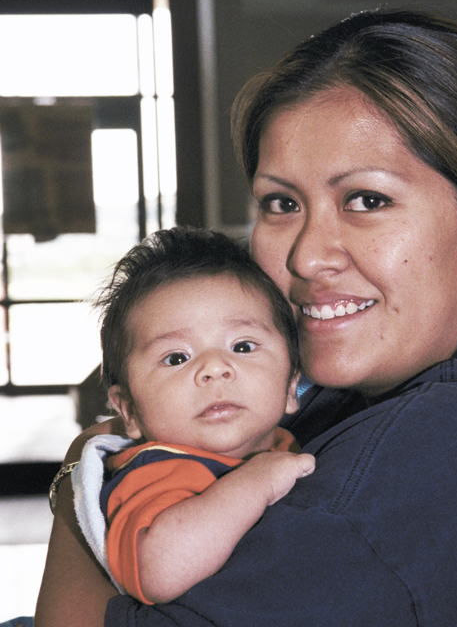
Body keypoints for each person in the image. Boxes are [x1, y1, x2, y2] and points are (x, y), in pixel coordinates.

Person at [35, 9, 457, 626]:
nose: (305, 254)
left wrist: (81, 477)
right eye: (282, 203)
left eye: (367, 200)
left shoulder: (431, 453)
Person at [72, 227, 315, 605]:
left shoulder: (289, 444)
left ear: (289, 387)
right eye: (177, 358)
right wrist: (257, 484)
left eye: (243, 346)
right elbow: (160, 571)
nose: (215, 369)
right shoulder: (156, 472)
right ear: (129, 410)